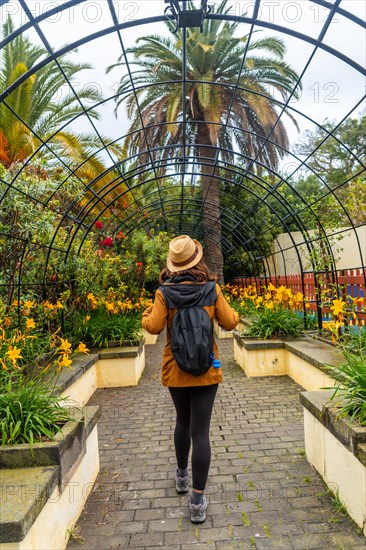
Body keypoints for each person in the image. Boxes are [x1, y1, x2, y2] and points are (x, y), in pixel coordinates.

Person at [142, 235, 239, 523]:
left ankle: (182, 477)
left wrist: (147, 311)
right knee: (201, 432)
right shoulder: (212, 289)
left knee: (182, 422)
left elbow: (153, 327)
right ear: (197, 258)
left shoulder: (164, 293)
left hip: (176, 370)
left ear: (173, 263)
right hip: (207, 370)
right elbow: (230, 322)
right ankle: (197, 501)